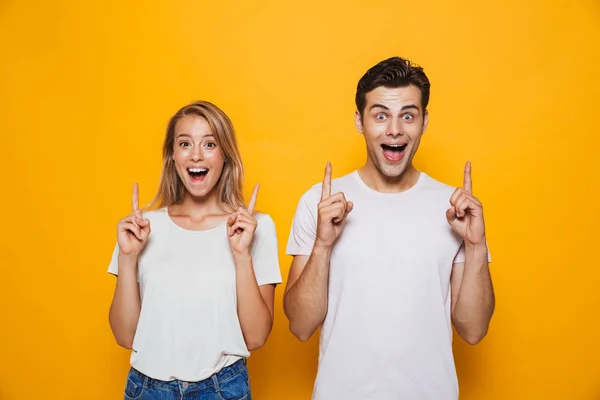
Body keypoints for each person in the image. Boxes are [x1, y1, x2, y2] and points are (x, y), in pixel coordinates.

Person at [283, 57, 495, 400]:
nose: (394, 129)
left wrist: (476, 246)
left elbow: (473, 330)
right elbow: (300, 326)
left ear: (424, 121)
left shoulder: (455, 208)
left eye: (407, 116)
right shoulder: (320, 203)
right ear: (359, 120)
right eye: (381, 115)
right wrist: (322, 246)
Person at [108, 100, 281, 400]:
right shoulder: (142, 227)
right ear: (172, 156)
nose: (196, 155)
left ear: (225, 154)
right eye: (185, 143)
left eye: (210, 144)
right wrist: (127, 257)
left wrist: (241, 255)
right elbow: (125, 336)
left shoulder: (254, 227)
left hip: (222, 389)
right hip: (146, 389)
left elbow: (256, 336)